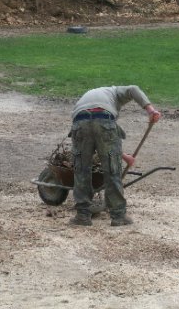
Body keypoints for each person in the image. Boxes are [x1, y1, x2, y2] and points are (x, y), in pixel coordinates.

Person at [69, 85, 161, 227]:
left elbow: (93, 127)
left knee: (81, 170)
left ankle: (82, 216)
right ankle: (118, 215)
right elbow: (133, 89)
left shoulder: (90, 95)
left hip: (80, 122)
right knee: (112, 170)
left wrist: (125, 156)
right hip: (105, 120)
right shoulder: (116, 91)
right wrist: (151, 110)